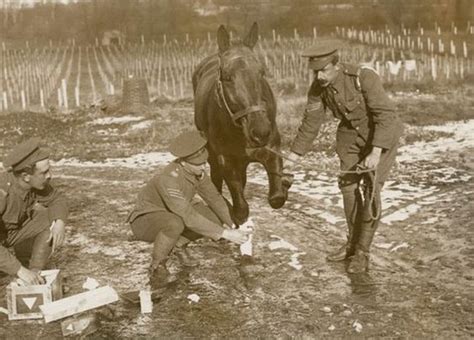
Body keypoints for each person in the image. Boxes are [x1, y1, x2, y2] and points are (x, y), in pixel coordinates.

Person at [288, 41, 403, 273]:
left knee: (371, 191)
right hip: (350, 136)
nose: (319, 76)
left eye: (324, 70)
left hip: (380, 133)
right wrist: (293, 157)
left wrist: (375, 151)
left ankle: (362, 252)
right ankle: (351, 244)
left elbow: (386, 115)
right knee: (348, 187)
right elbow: (310, 123)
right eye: (315, 71)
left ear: (337, 65)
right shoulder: (317, 89)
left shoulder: (363, 77)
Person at [128, 130, 249, 289]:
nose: (204, 167)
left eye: (205, 162)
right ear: (183, 162)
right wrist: (225, 234)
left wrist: (235, 225)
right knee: (175, 223)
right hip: (145, 220)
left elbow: (214, 198)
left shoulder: (198, 173)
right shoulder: (168, 179)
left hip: (173, 213)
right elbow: (187, 215)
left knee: (213, 216)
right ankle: (158, 266)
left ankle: (176, 244)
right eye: (199, 164)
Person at [0, 138, 68, 285]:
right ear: (26, 176)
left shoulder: (33, 185)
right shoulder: (2, 192)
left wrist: (59, 222)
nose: (49, 175)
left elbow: (57, 199)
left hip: (7, 236)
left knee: (48, 217)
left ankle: (35, 271)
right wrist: (18, 270)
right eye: (44, 172)